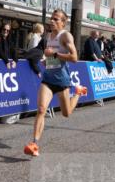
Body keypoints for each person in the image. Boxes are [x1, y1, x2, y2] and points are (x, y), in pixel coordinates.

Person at [23, 9, 87, 157]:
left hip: (62, 81)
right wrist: (48, 61)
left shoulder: (65, 35)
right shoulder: (48, 36)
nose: (52, 21)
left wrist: (55, 54)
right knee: (41, 109)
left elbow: (74, 57)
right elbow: (53, 57)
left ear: (63, 23)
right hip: (48, 79)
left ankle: (77, 92)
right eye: (52, 18)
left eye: (56, 19)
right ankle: (34, 144)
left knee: (66, 113)